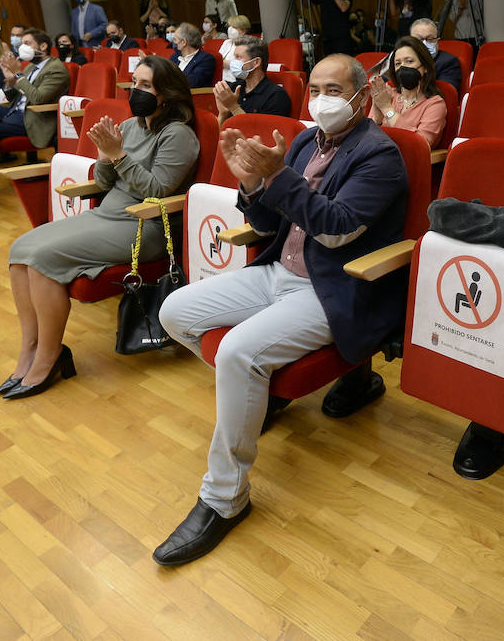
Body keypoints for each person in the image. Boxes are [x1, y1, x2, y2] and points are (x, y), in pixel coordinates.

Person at [153, 54, 409, 566]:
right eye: (314, 87)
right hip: (276, 272)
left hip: (331, 287)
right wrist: (251, 182)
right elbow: (269, 226)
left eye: (334, 89)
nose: (321, 99)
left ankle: (224, 498)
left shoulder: (379, 154)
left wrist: (280, 178)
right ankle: (257, 396)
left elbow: (336, 230)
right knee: (174, 311)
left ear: (361, 95)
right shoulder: (301, 140)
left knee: (236, 354)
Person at [4, 57, 200, 399]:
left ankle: (49, 357)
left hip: (144, 226)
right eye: (133, 83)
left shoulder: (178, 135)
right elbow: (103, 181)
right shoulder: (129, 125)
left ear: (165, 94)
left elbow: (157, 191)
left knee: (43, 258)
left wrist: (119, 154)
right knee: (20, 249)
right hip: (107, 216)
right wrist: (104, 154)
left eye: (145, 85)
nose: (135, 91)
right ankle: (30, 348)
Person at [0, 29, 71, 145]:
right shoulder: (30, 67)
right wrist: (10, 82)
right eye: (22, 43)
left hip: (31, 119)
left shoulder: (56, 69)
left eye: (27, 43)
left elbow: (38, 98)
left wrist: (18, 73)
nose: (22, 47)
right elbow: (11, 97)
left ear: (43, 46)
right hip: (13, 112)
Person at [368, 35, 447, 147]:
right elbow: (365, 140)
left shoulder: (435, 104)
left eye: (409, 61)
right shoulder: (387, 94)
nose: (403, 67)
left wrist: (386, 108)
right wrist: (377, 119)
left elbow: (421, 145)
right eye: (398, 64)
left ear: (425, 67)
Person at [213, 37, 291, 124]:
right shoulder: (233, 88)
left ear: (256, 62)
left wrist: (234, 107)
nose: (232, 62)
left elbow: (262, 133)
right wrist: (223, 114)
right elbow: (219, 134)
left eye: (238, 57)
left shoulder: (276, 95)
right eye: (234, 57)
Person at [408, 18, 462, 91]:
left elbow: (446, 92)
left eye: (430, 39)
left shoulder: (448, 62)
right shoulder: (400, 59)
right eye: (418, 40)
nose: (424, 44)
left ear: (437, 41)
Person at [171, 22, 216, 88]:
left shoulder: (206, 59)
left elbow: (193, 82)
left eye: (175, 39)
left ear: (183, 42)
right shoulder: (175, 57)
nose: (173, 42)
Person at [218, 15, 251, 84]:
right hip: (221, 80)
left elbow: (242, 67)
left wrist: (225, 63)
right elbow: (218, 60)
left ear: (243, 31)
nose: (230, 29)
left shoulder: (248, 44)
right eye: (229, 26)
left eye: (234, 27)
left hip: (237, 81)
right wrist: (226, 63)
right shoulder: (226, 42)